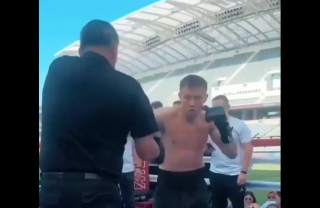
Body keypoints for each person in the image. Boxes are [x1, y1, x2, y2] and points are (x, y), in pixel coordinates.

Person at [40, 19, 160, 208]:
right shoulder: (128, 86)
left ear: (81, 48)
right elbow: (147, 150)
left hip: (53, 189)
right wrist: (158, 136)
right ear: (115, 49)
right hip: (99, 192)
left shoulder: (58, 68)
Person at [153, 74, 238, 208]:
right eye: (187, 97)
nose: (192, 103)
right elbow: (131, 125)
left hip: (196, 181)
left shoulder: (208, 121)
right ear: (180, 96)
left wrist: (225, 129)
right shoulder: (163, 116)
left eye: (197, 97)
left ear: (205, 98)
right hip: (169, 182)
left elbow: (232, 153)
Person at [209, 95, 253, 208]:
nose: (218, 110)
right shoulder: (209, 125)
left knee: (238, 205)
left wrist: (244, 172)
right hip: (215, 173)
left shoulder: (239, 124)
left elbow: (248, 147)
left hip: (235, 174)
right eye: (215, 108)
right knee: (217, 205)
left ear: (228, 107)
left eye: (221, 107)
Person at [120, 136, 142, 208]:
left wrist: (138, 167)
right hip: (112, 169)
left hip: (128, 169)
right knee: (112, 199)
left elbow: (136, 150)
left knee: (129, 200)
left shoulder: (130, 132)